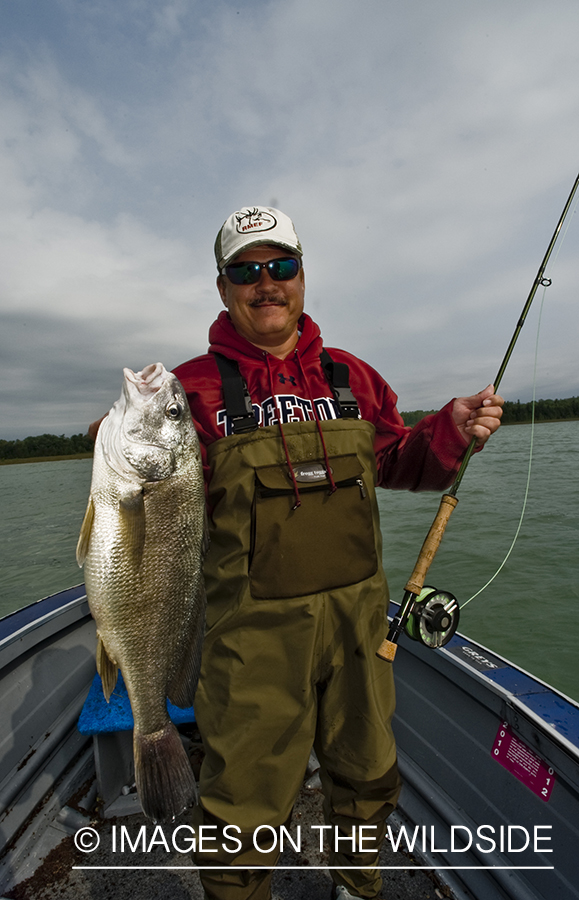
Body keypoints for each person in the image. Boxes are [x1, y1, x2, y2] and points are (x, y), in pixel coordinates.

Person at [169, 206, 503, 900]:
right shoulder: (186, 391)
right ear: (223, 286)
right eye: (246, 270)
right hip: (251, 643)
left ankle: (357, 885)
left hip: (358, 629)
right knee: (239, 803)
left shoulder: (352, 376)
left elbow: (402, 460)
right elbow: (149, 505)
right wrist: (119, 446)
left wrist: (451, 428)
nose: (267, 284)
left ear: (301, 275)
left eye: (281, 266)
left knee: (367, 771)